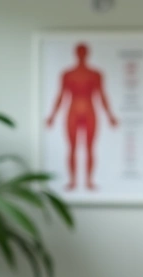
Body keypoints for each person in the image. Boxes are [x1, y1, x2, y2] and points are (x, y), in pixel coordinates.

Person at [45, 42, 119, 191]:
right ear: (76, 54)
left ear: (87, 54)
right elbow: (61, 95)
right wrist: (52, 115)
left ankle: (89, 181)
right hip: (72, 112)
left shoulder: (95, 74)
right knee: (72, 148)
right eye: (79, 52)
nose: (81, 54)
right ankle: (72, 181)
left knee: (90, 148)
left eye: (83, 52)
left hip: (90, 111)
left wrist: (110, 115)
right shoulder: (67, 74)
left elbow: (102, 95)